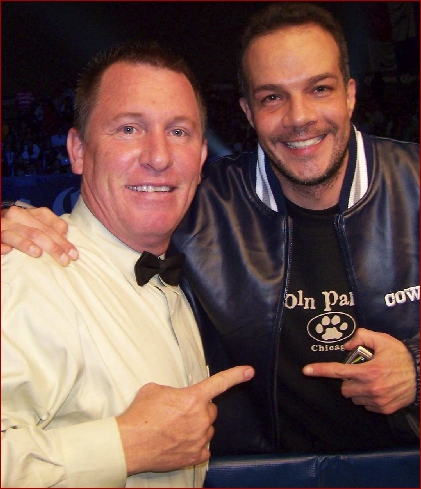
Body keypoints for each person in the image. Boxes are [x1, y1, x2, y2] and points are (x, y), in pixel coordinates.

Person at [2, 2, 419, 456]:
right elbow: (120, 212)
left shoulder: (414, 182)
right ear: (248, 111)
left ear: (350, 95)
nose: (299, 116)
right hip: (258, 475)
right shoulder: (200, 204)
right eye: (272, 97)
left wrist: (416, 368)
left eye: (320, 89)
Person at [1, 41, 255, 488]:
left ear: (200, 159)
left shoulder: (177, 282)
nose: (158, 156)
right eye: (129, 129)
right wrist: (125, 445)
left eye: (178, 132)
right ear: (78, 150)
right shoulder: (27, 274)